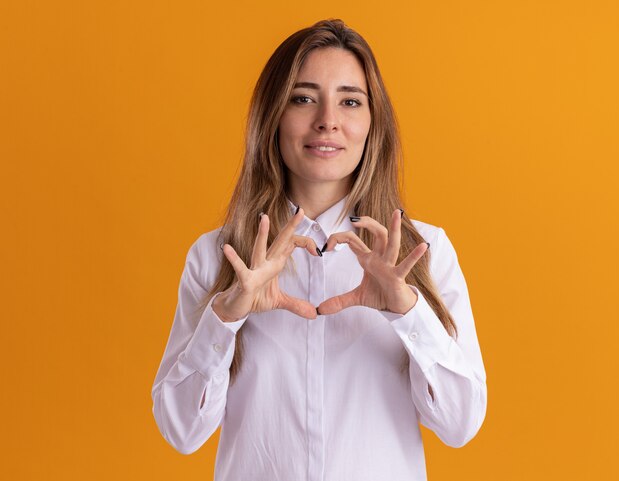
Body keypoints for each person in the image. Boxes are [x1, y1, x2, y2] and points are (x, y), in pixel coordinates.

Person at [151, 18, 487, 481]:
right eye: (303, 98)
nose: (328, 119)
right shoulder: (219, 256)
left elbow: (459, 425)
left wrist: (408, 311)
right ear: (273, 115)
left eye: (350, 101)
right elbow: (180, 430)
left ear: (373, 122)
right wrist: (225, 317)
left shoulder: (422, 252)